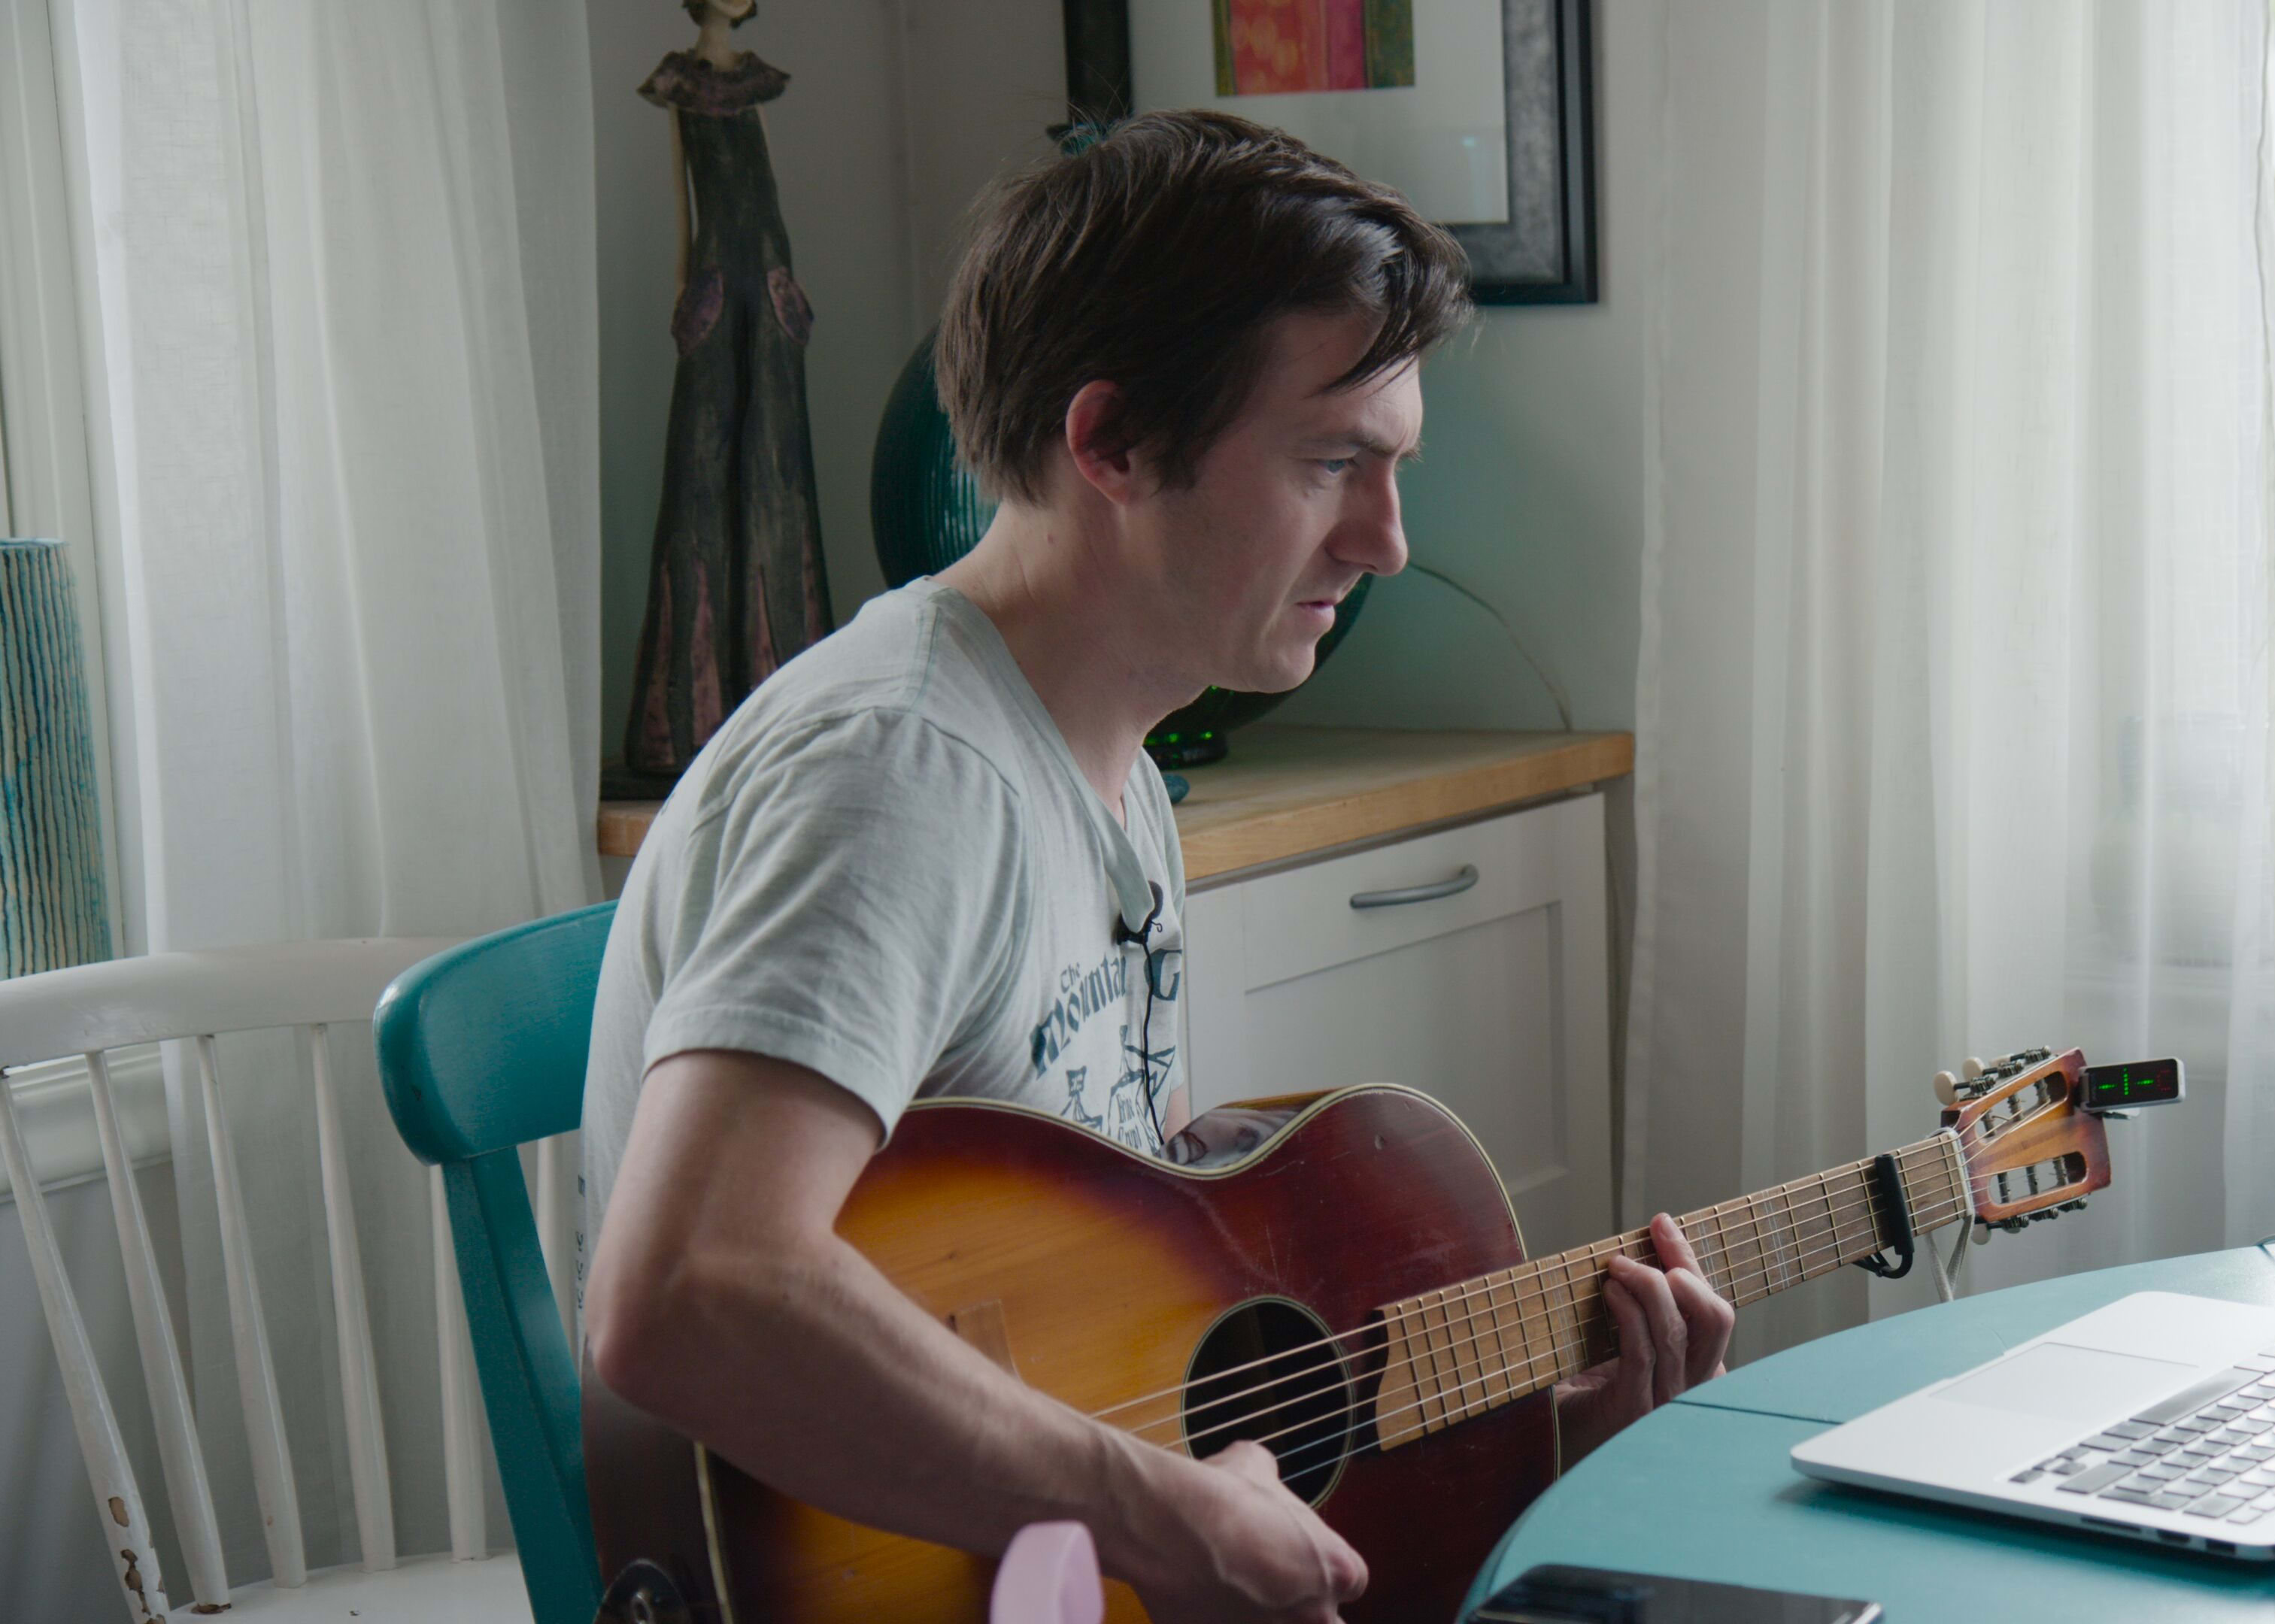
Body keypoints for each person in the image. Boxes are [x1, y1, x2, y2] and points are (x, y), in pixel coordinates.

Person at [578, 111, 1735, 1623]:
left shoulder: (1111, 759)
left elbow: (1142, 1328)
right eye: (1333, 461)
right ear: (1111, 443)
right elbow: (688, 1294)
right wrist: (1164, 1519)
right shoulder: (905, 772)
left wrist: (1535, 1432)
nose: (1387, 541)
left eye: (1392, 467)